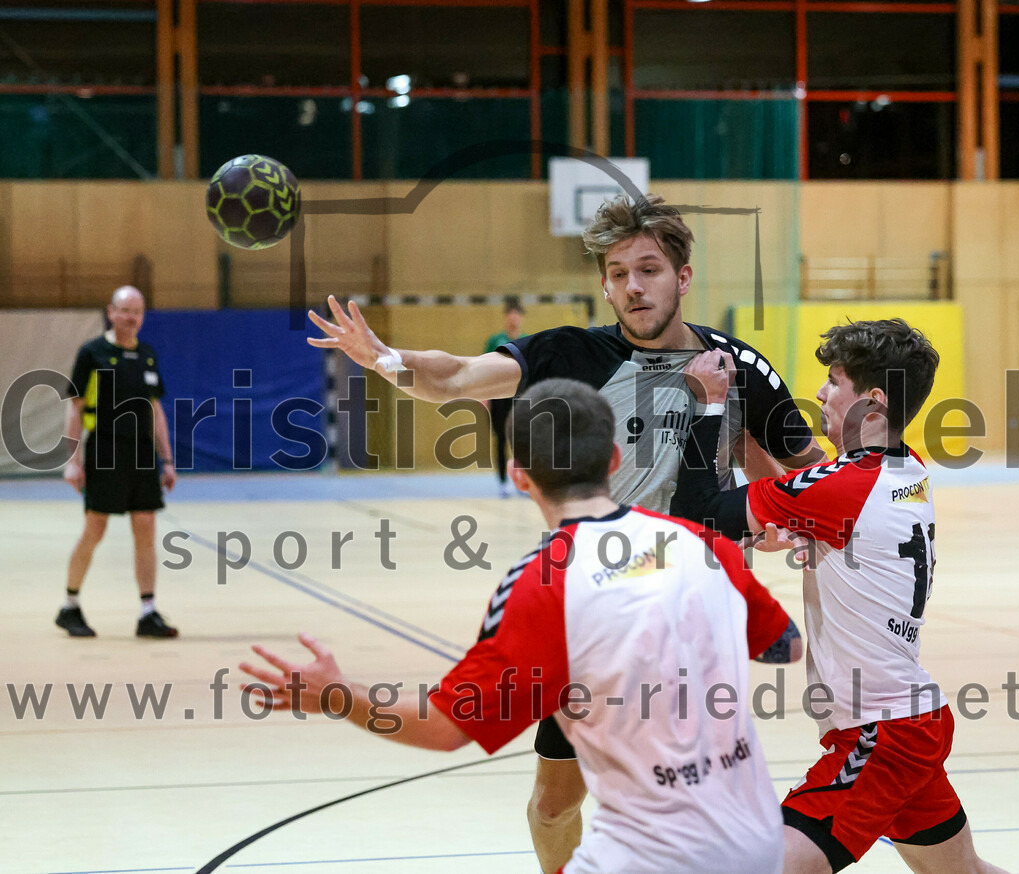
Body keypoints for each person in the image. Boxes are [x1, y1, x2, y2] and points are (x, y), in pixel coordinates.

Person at [307, 193, 827, 872]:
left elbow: (806, 468)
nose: (633, 286)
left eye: (648, 269)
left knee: (685, 773)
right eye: (618, 274)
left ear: (684, 276)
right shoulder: (572, 354)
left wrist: (785, 515)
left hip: (692, 597)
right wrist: (384, 359)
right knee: (555, 802)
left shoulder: (740, 367)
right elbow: (459, 377)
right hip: (599, 604)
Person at [241, 378, 803, 874]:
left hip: (653, 857)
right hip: (758, 844)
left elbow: (445, 729)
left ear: (519, 475)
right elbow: (785, 647)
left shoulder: (544, 585)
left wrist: (337, 697)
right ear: (612, 459)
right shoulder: (701, 544)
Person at [671, 319, 1012, 874]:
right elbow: (805, 505)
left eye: (833, 382)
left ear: (872, 402)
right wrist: (751, 447)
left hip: (882, 733)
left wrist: (708, 407)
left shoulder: (841, 488)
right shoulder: (904, 470)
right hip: (912, 720)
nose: (822, 395)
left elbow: (699, 513)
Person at [57, 286, 179, 639]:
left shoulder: (148, 355)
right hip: (105, 451)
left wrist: (167, 460)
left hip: (143, 455)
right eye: (125, 310)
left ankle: (148, 612)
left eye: (137, 311)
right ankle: (69, 605)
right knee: (95, 529)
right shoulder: (92, 353)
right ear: (111, 311)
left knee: (146, 529)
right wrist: (72, 460)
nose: (131, 317)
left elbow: (156, 411)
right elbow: (75, 407)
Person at [482, 298, 525, 497]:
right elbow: (484, 369)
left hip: (519, 396)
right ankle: (502, 482)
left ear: (521, 317)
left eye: (517, 313)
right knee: (500, 438)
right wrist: (484, 396)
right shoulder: (495, 340)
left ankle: (522, 480)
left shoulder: (527, 339)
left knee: (521, 439)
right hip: (499, 396)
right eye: (510, 313)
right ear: (506, 316)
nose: (513, 317)